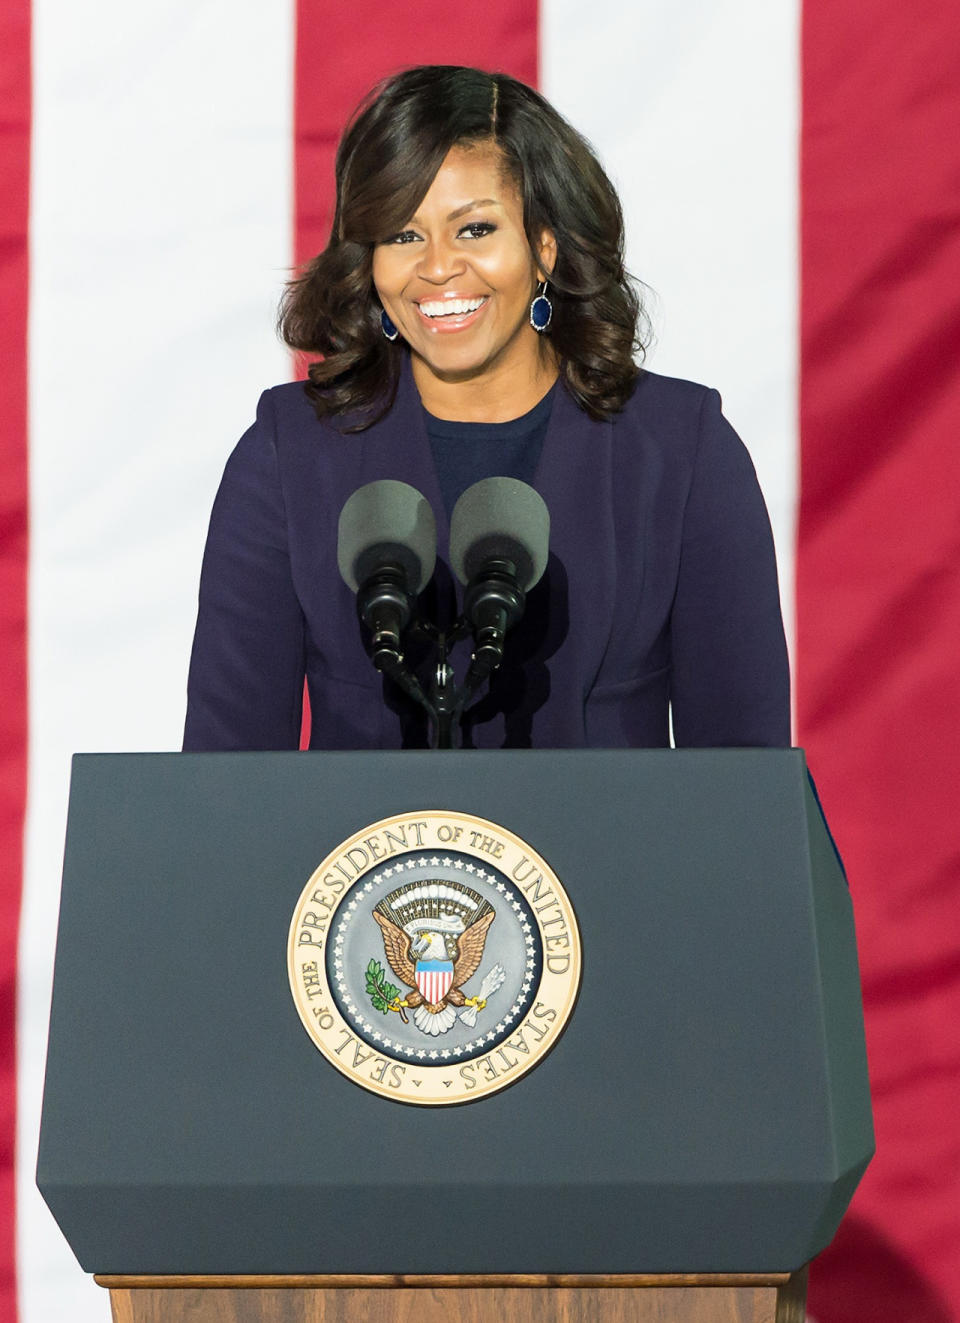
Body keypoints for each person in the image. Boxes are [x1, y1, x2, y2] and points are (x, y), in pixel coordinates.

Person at [183, 65, 790, 753]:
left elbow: (747, 786)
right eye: (403, 236)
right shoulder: (288, 455)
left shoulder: (683, 451)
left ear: (544, 247)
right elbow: (221, 783)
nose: (438, 268)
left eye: (473, 229)